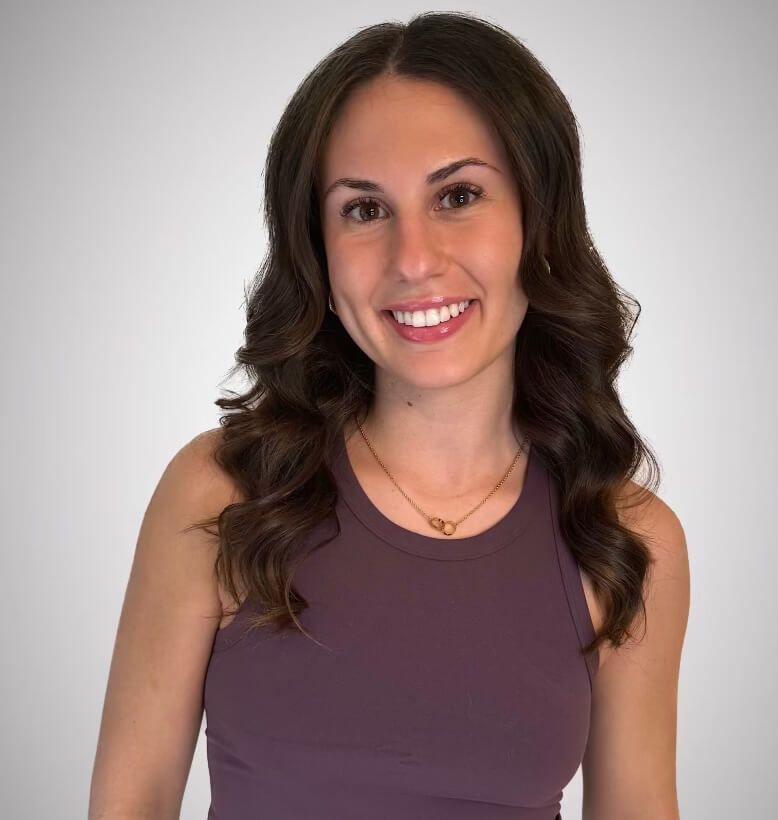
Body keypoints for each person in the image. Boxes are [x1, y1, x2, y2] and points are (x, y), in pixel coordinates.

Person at [89, 11, 690, 820]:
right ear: (317, 246)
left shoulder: (623, 540)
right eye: (363, 210)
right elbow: (129, 804)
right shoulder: (223, 494)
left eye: (458, 195)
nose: (413, 259)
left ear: (537, 220)